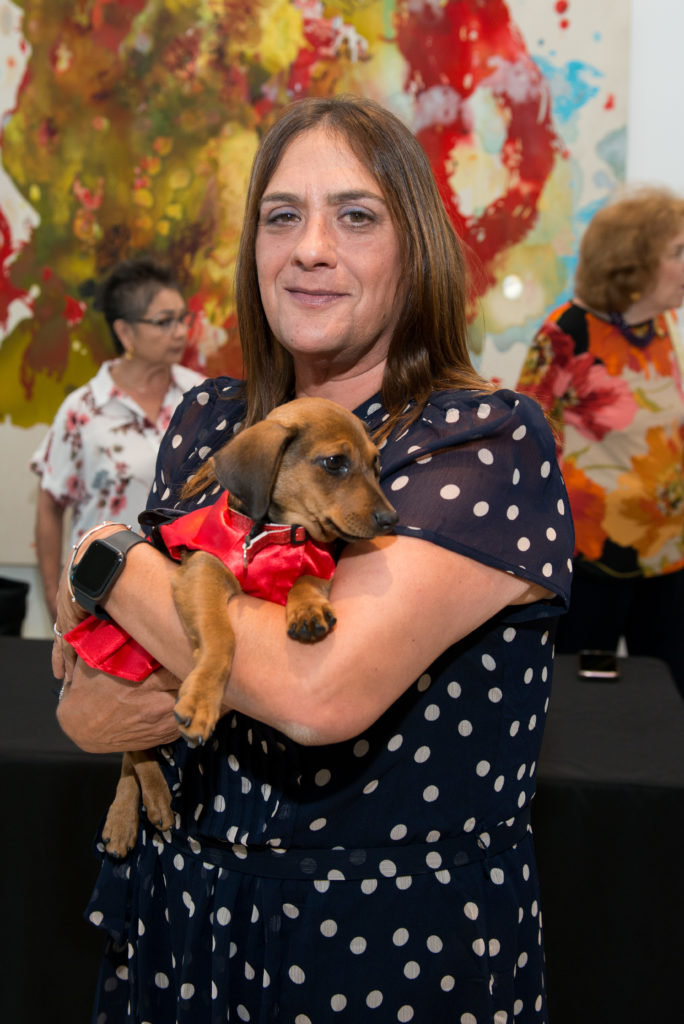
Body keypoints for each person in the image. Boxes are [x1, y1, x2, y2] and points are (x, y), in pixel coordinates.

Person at [53, 96, 573, 1023]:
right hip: (183, 916)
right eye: (281, 215)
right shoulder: (214, 421)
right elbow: (92, 702)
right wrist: (142, 636)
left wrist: (107, 558)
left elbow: (316, 693)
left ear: (416, 249)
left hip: (385, 944)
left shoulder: (478, 442)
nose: (310, 248)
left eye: (357, 216)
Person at [516, 186, 684, 694]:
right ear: (632, 261)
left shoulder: (663, 325)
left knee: (669, 695)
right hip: (590, 555)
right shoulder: (567, 332)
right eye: (677, 251)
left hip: (667, 552)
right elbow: (525, 441)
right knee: (581, 698)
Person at [30, 257, 205, 621]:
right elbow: (50, 504)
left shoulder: (201, 398)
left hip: (181, 596)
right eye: (164, 322)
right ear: (125, 332)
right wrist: (52, 593)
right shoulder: (84, 410)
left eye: (182, 319)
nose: (180, 332)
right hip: (99, 596)